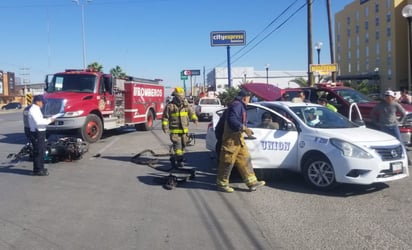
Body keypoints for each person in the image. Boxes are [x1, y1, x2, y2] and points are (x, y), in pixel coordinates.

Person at [216, 89, 265, 193]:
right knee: (227, 162)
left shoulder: (240, 105)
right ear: (244, 98)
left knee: (245, 159)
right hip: (231, 140)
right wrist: (244, 128)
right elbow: (232, 120)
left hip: (238, 138)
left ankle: (252, 182)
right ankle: (222, 183)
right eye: (248, 98)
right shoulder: (237, 105)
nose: (249, 100)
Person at [162, 87, 198, 168]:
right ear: (175, 96)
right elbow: (165, 117)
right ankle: (179, 161)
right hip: (175, 132)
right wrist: (164, 126)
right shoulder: (170, 106)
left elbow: (191, 113)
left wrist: (195, 119)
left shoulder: (186, 105)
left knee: (183, 146)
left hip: (184, 131)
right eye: (179, 96)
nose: (181, 98)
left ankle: (177, 158)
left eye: (182, 96)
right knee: (178, 147)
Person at [28, 95, 56, 176]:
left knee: (41, 151)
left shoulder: (36, 109)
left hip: (40, 132)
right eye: (42, 102)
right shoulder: (33, 110)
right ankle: (38, 170)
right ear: (37, 102)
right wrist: (50, 120)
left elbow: (40, 120)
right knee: (38, 151)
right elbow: (39, 122)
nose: (43, 104)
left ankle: (40, 167)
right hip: (37, 133)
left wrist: (47, 119)